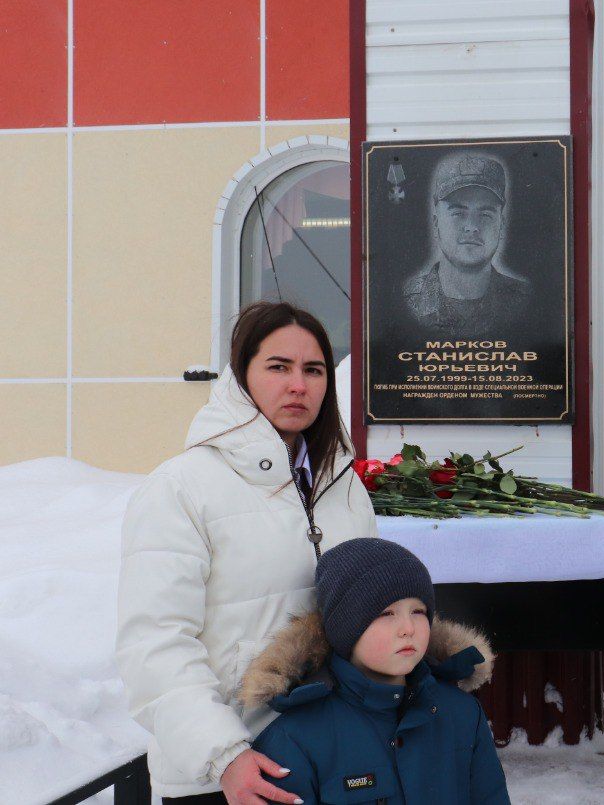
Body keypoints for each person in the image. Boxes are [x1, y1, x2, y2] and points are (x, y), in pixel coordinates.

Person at [115, 301, 378, 803]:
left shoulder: (344, 488)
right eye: (278, 367)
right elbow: (154, 644)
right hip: (227, 775)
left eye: (314, 370)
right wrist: (224, 755)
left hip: (330, 756)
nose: (298, 385)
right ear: (241, 377)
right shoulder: (181, 488)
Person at [239, 537, 510, 804]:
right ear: (346, 628)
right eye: (386, 614)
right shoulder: (295, 738)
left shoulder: (462, 714)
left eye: (418, 611)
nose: (408, 628)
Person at [402, 151, 533, 339]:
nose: (472, 227)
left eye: (485, 215)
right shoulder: (407, 301)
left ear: (501, 225)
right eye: (458, 213)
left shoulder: (524, 301)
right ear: (436, 222)